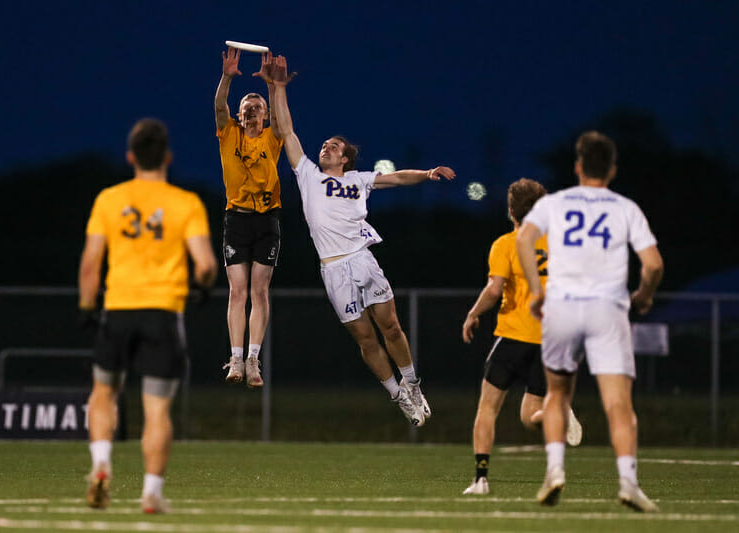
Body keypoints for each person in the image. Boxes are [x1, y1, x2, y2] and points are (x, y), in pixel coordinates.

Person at [267, 54, 455, 426]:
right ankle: (398, 395)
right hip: (333, 269)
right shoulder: (307, 174)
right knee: (365, 339)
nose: (326, 148)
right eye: (324, 144)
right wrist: (277, 88)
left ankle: (412, 382)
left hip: (361, 258)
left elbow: (398, 178)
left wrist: (428, 172)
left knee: (392, 327)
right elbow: (286, 132)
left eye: (334, 146)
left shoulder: (358, 180)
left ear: (346, 159)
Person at [516, 131, 663, 512]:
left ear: (578, 166)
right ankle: (628, 482)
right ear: (612, 169)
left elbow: (523, 240)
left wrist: (536, 290)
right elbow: (654, 265)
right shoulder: (625, 207)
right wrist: (644, 296)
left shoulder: (556, 203)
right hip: (607, 309)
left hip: (562, 307)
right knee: (618, 404)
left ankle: (554, 471)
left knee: (556, 395)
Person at [78, 118, 218, 513]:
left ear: (130, 157)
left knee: (104, 392)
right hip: (162, 313)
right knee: (156, 409)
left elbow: (91, 264)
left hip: (118, 310)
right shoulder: (185, 203)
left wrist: (87, 307)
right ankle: (151, 493)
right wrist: (203, 285)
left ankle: (101, 465)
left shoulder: (109, 199)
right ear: (168, 158)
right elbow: (206, 264)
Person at [461, 178, 582, 496]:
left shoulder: (507, 244)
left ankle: (481, 479)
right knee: (531, 417)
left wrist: (474, 313)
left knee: (487, 408)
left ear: (511, 210)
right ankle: (558, 413)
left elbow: (494, 288)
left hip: (514, 336)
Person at [214, 47, 283, 388]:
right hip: (236, 220)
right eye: (246, 108)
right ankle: (236, 358)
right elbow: (218, 107)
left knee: (260, 291)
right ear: (239, 116)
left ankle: (254, 358)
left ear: (265, 115)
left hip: (266, 221)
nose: (251, 111)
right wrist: (227, 76)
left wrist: (272, 85)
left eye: (258, 108)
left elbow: (283, 120)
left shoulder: (273, 137)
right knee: (236, 292)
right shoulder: (230, 135)